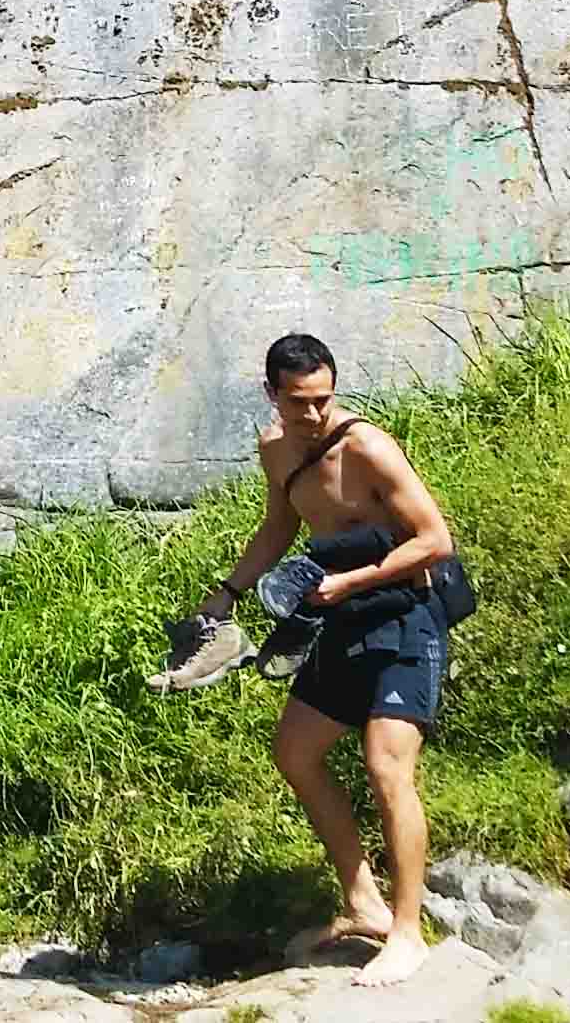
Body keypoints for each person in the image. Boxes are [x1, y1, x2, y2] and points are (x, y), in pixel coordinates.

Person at [191, 333, 460, 983]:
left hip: (407, 617)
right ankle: (363, 902)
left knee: (386, 767)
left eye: (323, 400)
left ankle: (407, 932)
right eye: (299, 402)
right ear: (272, 396)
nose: (313, 415)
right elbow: (280, 526)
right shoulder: (275, 449)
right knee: (295, 751)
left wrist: (353, 581)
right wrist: (225, 595)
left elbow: (436, 540)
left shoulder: (368, 447)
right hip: (344, 619)